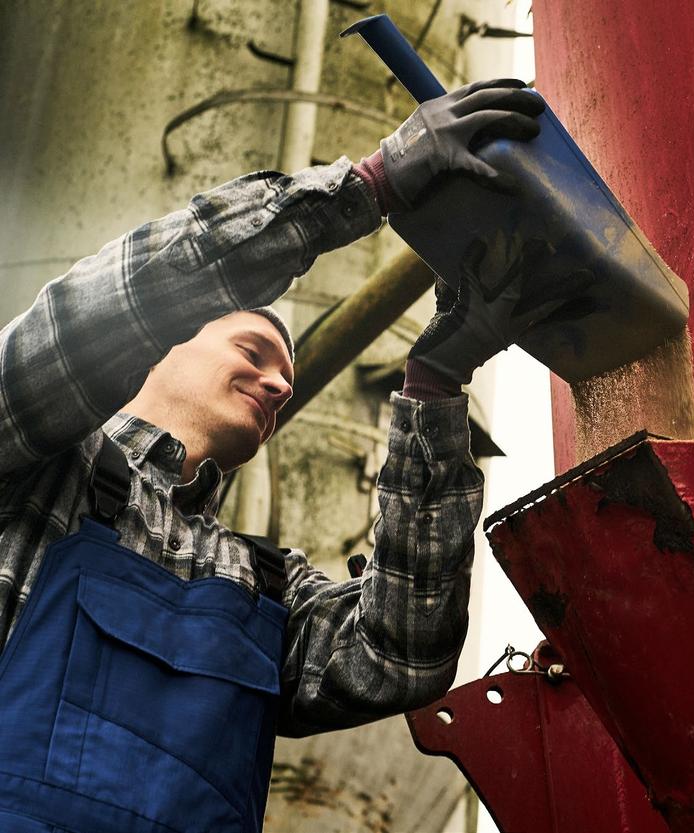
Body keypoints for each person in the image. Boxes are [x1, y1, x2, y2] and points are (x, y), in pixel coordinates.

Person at [0, 79, 546, 833]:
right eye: (252, 349)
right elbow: (98, 316)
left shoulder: (262, 584)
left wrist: (436, 382)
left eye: (287, 376)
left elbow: (400, 656)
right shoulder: (37, 470)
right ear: (161, 342)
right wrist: (367, 186)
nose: (281, 380)